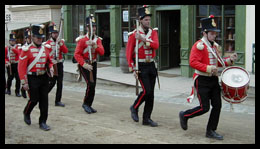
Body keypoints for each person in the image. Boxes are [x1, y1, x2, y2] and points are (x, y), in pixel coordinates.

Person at [179, 15, 238, 140]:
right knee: (204, 107)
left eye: (215, 33)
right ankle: (185, 115)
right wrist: (208, 68)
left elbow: (219, 62)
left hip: (213, 80)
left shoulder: (214, 46)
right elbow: (193, 62)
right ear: (204, 33)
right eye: (212, 33)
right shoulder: (198, 45)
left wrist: (230, 60)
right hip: (202, 80)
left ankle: (211, 130)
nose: (214, 35)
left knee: (217, 105)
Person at [126, 5, 159, 127]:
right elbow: (129, 53)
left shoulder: (153, 32)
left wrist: (143, 39)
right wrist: (132, 68)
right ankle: (134, 107)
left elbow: (156, 45)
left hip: (151, 65)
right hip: (140, 65)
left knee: (151, 94)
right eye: (145, 19)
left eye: (149, 19)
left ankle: (147, 118)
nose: (148, 21)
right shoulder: (133, 34)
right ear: (140, 20)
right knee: (147, 90)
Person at [18, 24, 54, 131]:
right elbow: (21, 67)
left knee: (44, 100)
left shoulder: (46, 48)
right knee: (34, 99)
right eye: (37, 37)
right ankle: (26, 112)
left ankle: (43, 121)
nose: (39, 39)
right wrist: (24, 82)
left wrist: (51, 67)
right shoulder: (26, 50)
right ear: (32, 37)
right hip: (32, 78)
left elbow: (49, 61)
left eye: (41, 38)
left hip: (43, 77)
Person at [74, 14, 105, 114]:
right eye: (91, 26)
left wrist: (95, 45)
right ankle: (85, 103)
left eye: (95, 26)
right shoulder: (82, 40)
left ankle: (89, 104)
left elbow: (102, 52)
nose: (94, 28)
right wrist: (83, 64)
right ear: (87, 27)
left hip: (93, 64)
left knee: (93, 85)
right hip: (85, 64)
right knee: (90, 84)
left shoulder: (98, 40)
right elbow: (77, 54)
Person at [46, 22, 68, 107]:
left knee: (60, 83)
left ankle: (58, 100)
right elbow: (47, 56)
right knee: (52, 82)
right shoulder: (47, 43)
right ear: (51, 34)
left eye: (56, 33)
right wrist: (51, 64)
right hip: (52, 65)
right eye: (54, 33)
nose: (55, 34)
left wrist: (61, 44)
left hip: (59, 64)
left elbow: (65, 51)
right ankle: (43, 95)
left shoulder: (60, 42)